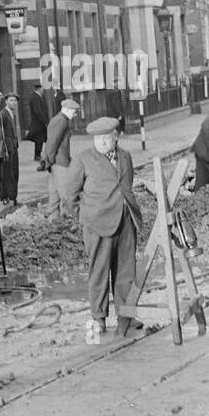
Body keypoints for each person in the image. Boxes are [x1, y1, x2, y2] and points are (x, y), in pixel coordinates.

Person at [63, 116, 145, 338]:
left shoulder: (125, 157)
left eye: (106, 138)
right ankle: (98, 318)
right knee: (99, 272)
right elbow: (69, 194)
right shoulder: (82, 160)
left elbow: (126, 185)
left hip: (125, 221)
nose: (102, 142)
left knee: (126, 271)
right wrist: (85, 215)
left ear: (115, 137)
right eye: (98, 139)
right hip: (97, 224)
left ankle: (126, 315)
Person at [42, 97, 81, 216]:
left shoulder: (60, 120)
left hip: (56, 162)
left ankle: (54, 221)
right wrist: (49, 160)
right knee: (67, 193)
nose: (74, 115)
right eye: (74, 112)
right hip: (59, 163)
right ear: (67, 109)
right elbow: (52, 143)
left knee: (54, 195)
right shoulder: (61, 121)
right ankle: (76, 216)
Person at [2, 92, 21, 202]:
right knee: (9, 173)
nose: (13, 102)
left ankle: (13, 196)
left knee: (15, 171)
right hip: (8, 147)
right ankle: (9, 196)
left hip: (14, 147)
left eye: (15, 100)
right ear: (6, 101)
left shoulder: (12, 114)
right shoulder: (3, 114)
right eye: (11, 100)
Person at [26, 87, 49, 161]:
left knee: (39, 139)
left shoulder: (36, 97)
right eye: (42, 89)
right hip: (38, 123)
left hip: (38, 123)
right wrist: (45, 121)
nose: (43, 91)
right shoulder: (36, 97)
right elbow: (38, 111)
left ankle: (38, 155)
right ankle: (37, 155)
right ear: (39, 89)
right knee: (39, 139)